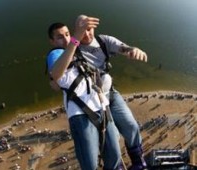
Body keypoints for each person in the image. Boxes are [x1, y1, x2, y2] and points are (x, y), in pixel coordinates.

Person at [47, 15, 148, 170]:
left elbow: (122, 47)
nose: (86, 34)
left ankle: (137, 161)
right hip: (93, 102)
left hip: (109, 96)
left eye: (90, 29)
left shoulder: (103, 41)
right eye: (83, 30)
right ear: (78, 32)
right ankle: (117, 165)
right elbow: (57, 74)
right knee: (110, 139)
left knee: (131, 126)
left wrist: (132, 50)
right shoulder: (73, 47)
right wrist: (55, 81)